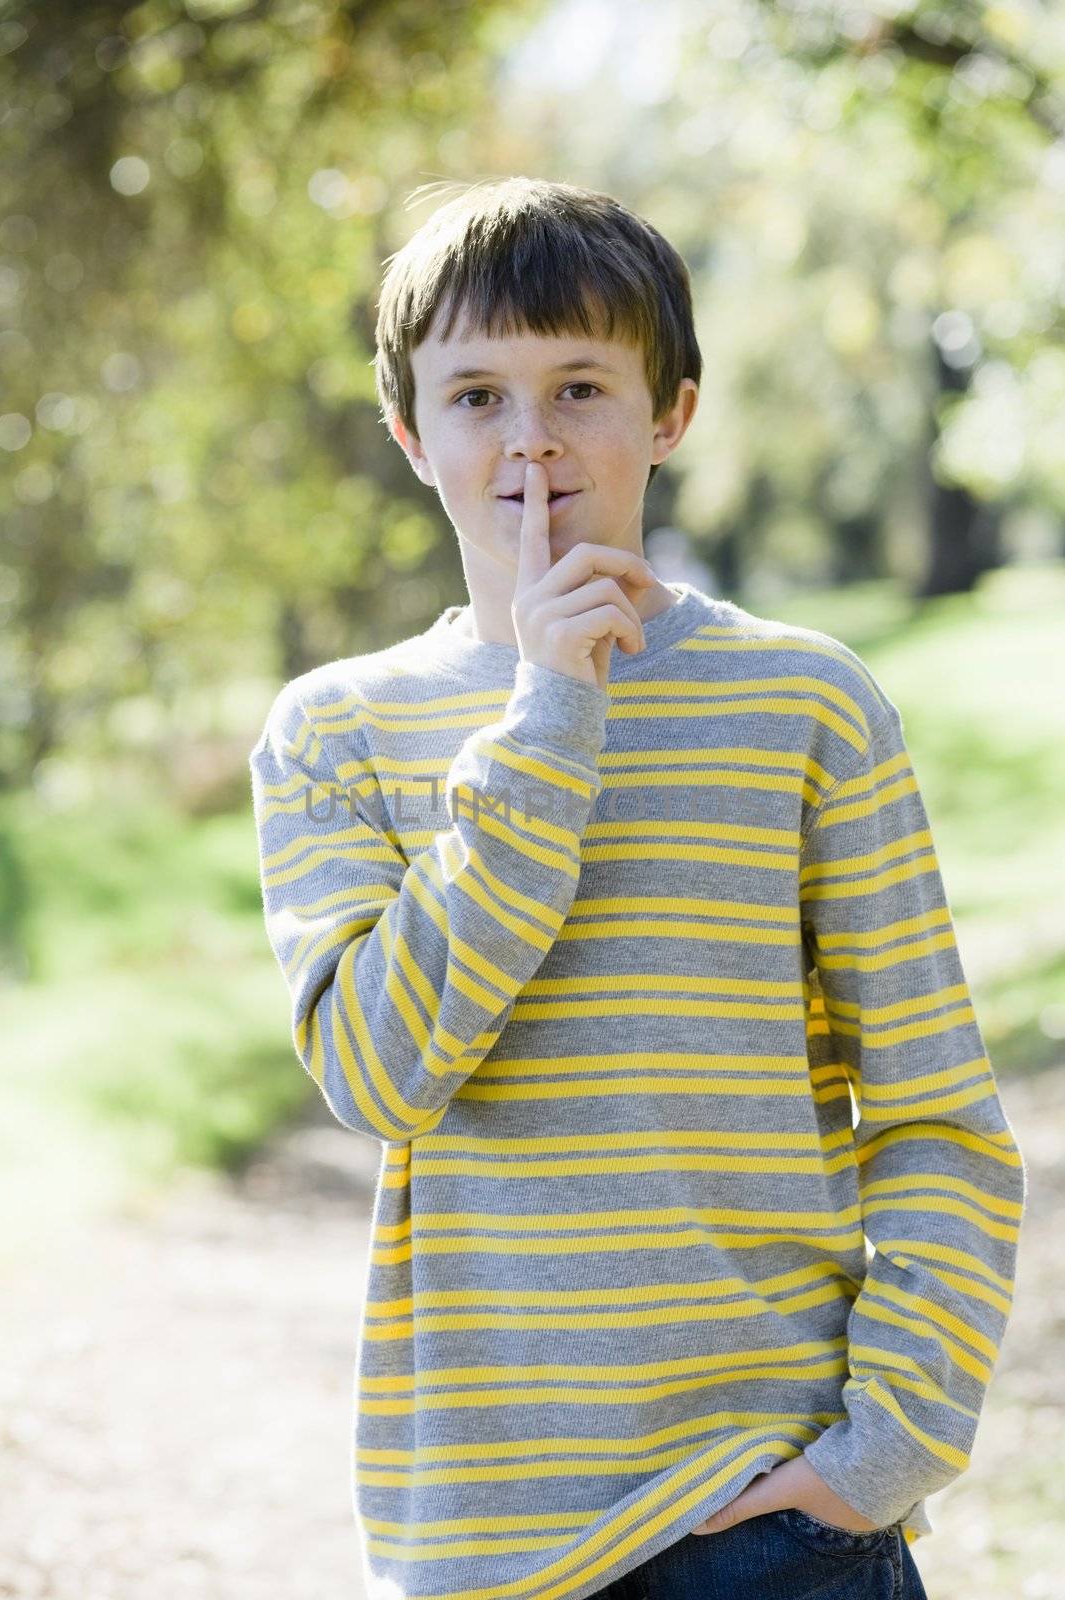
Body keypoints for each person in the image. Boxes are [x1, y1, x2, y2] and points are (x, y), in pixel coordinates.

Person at [248, 176, 1027, 1600]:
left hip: (773, 1510)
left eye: (582, 386)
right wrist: (549, 719)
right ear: (412, 434)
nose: (531, 440)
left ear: (669, 414)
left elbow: (933, 1116)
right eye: (477, 395)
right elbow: (378, 1074)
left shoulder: (808, 704)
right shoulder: (330, 731)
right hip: (487, 1536)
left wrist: (880, 1457)